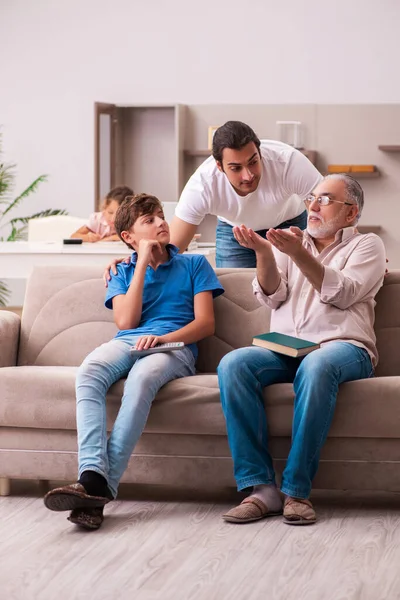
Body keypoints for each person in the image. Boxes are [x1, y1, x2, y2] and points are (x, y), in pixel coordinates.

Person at [44, 193, 224, 530]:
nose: (161, 222)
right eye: (149, 220)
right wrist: (140, 262)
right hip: (127, 342)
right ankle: (93, 481)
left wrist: (163, 340)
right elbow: (126, 323)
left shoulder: (195, 265)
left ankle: (96, 487)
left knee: (142, 379)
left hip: (174, 348)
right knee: (89, 372)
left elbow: (206, 324)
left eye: (160, 216)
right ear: (128, 237)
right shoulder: (122, 271)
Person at [217, 174, 386, 526]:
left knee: (318, 367)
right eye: (312, 198)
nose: (313, 205)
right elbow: (271, 295)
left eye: (326, 199)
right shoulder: (290, 242)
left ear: (351, 212)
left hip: (343, 348)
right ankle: (261, 489)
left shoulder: (367, 246)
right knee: (234, 364)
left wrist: (297, 255)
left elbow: (342, 293)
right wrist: (265, 252)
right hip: (286, 349)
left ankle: (296, 490)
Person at [102, 121, 322, 281]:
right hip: (235, 232)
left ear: (260, 152)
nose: (248, 175)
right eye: (235, 168)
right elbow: (172, 248)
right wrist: (132, 262)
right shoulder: (203, 183)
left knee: (300, 283)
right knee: (238, 293)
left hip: (289, 223)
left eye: (253, 162)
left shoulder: (288, 161)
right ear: (219, 166)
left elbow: (326, 212)